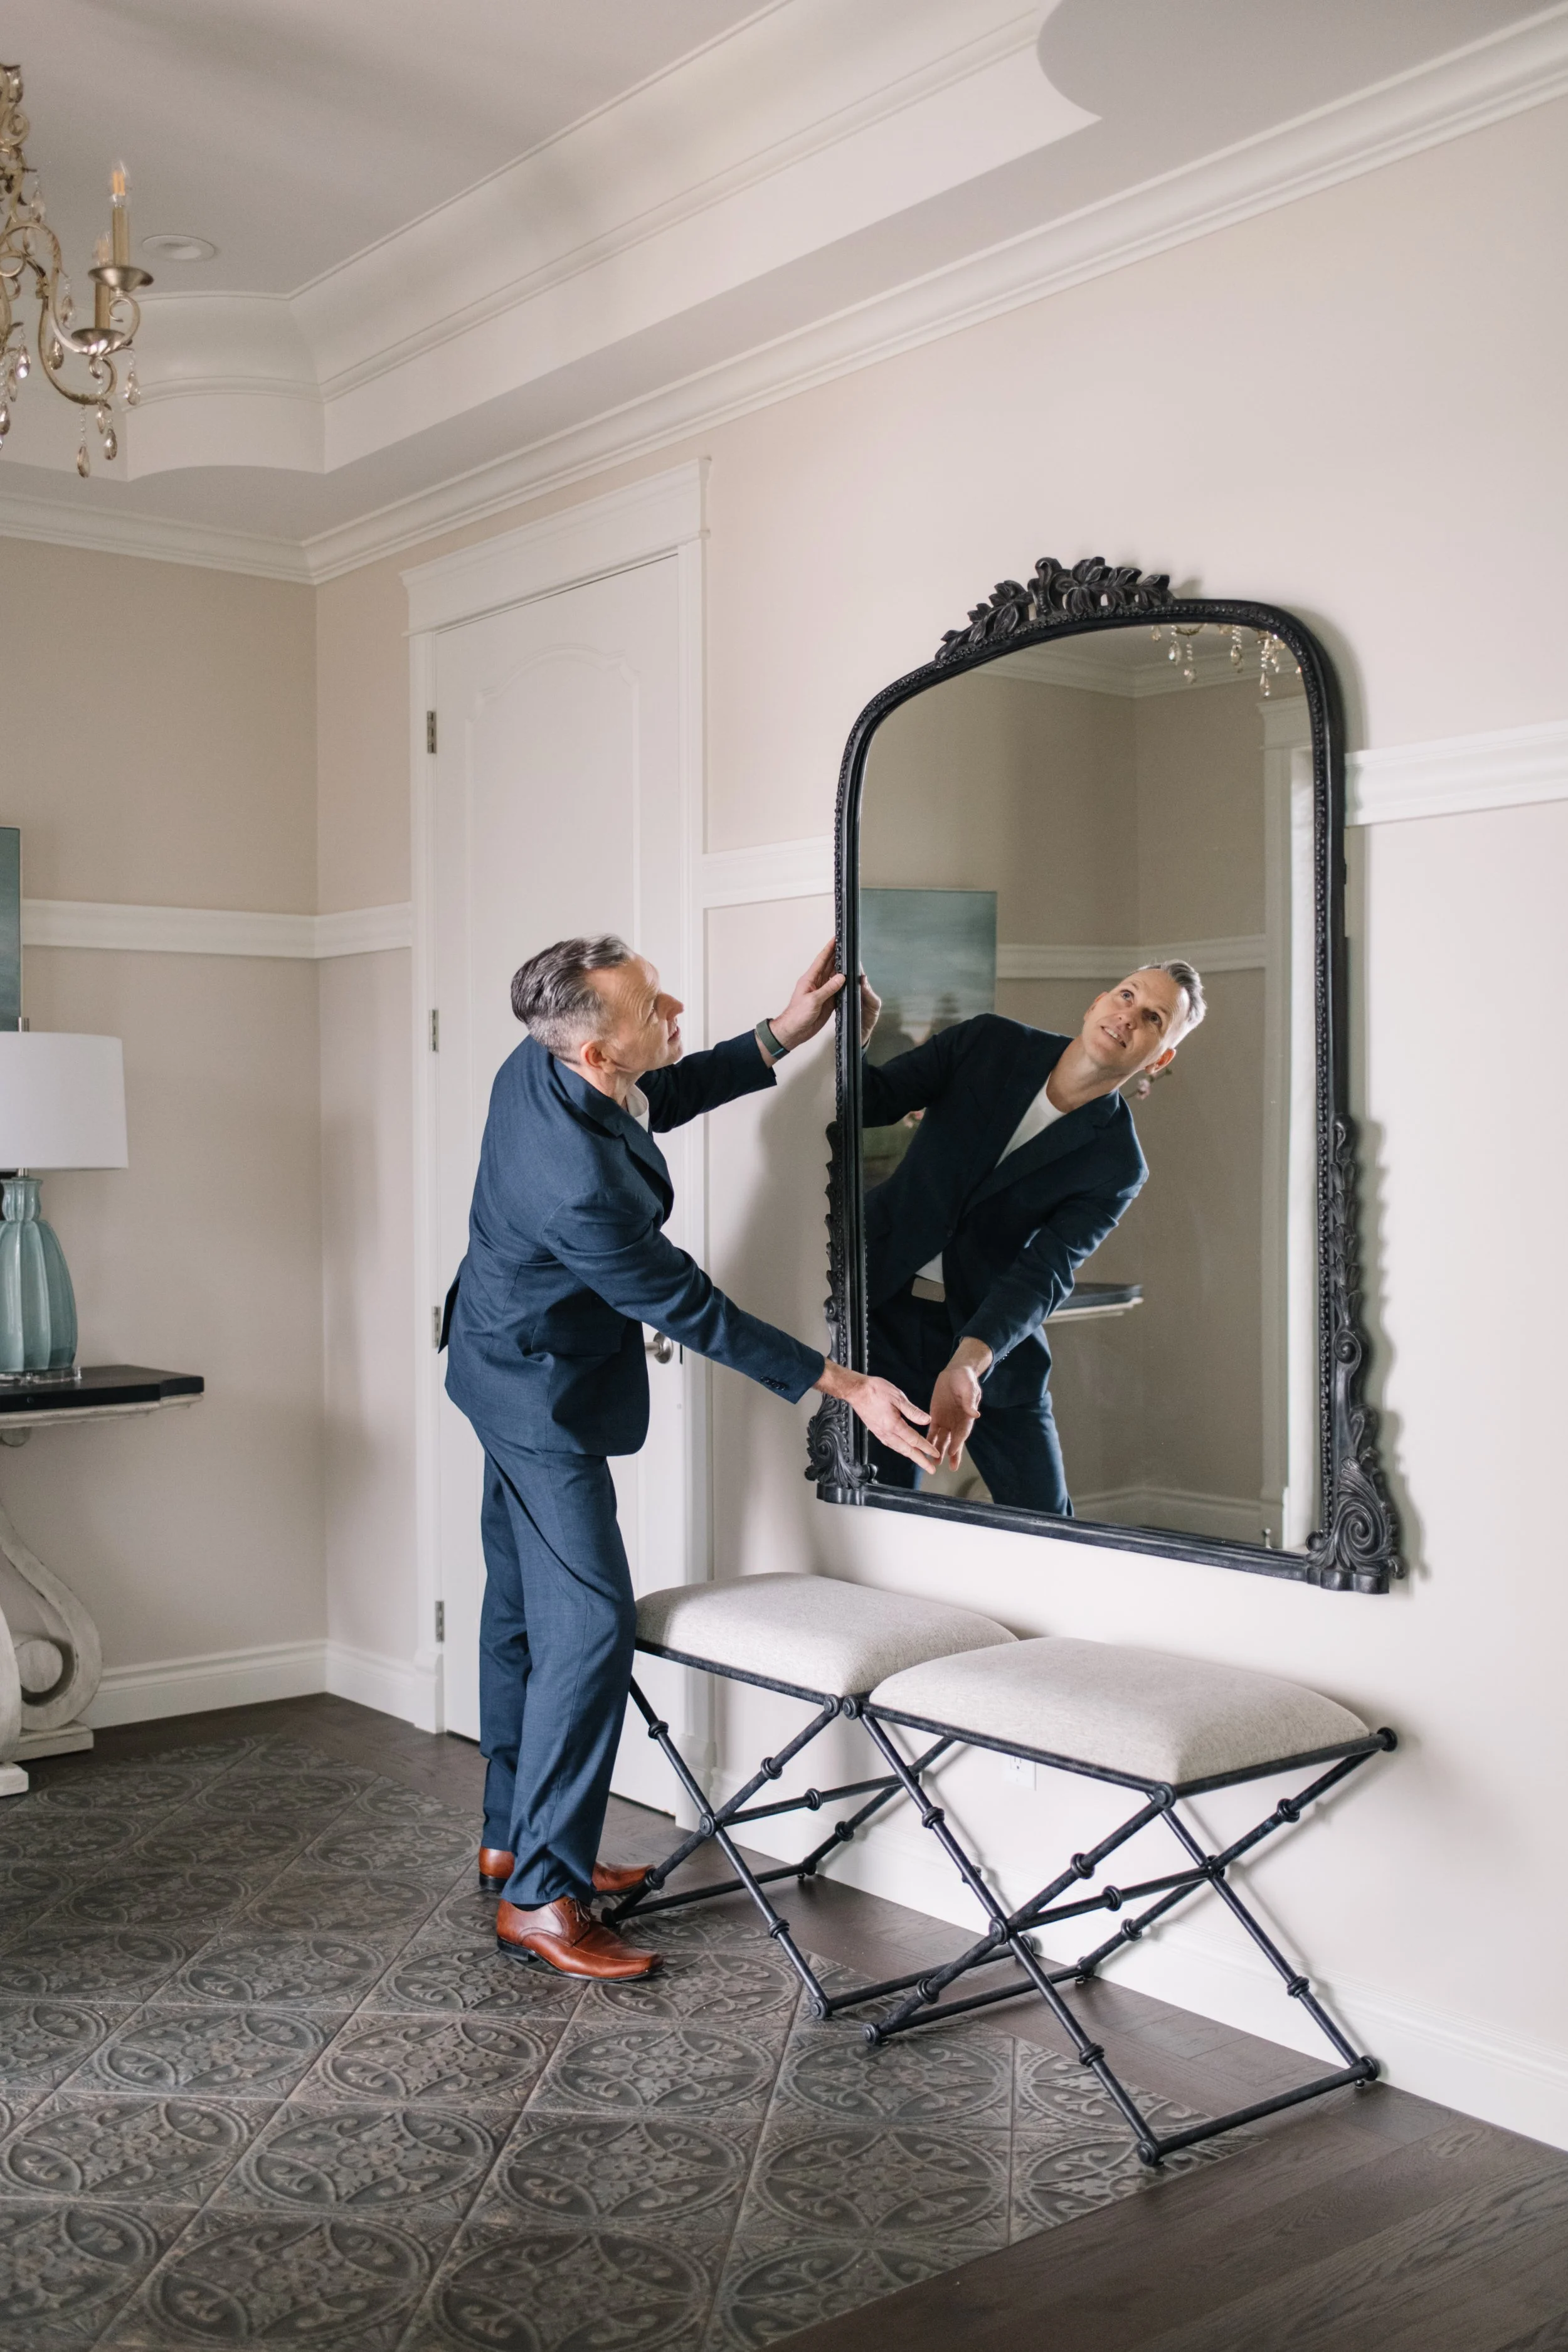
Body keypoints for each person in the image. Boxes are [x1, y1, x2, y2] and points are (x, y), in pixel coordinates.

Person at [443, 935, 938, 1984]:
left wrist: (779, 1036)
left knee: (521, 1612)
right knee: (589, 1628)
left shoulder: (537, 1057)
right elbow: (692, 1310)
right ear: (594, 1053)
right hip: (538, 1398)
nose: (673, 1009)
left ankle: (512, 1834)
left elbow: (650, 1098)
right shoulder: (576, 1186)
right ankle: (540, 1897)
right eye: (649, 1008)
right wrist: (848, 1386)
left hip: (496, 1359)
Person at [862, 961, 1205, 1515]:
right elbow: (868, 1100)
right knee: (883, 1512)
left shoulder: (1117, 1164)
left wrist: (969, 1364)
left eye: (1153, 1018)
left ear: (1159, 1059)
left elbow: (1044, 1271)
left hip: (990, 1345)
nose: (1127, 1016)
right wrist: (855, 1036)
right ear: (1096, 1003)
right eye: (1125, 995)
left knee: (1050, 1523)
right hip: (880, 1318)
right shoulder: (988, 1044)